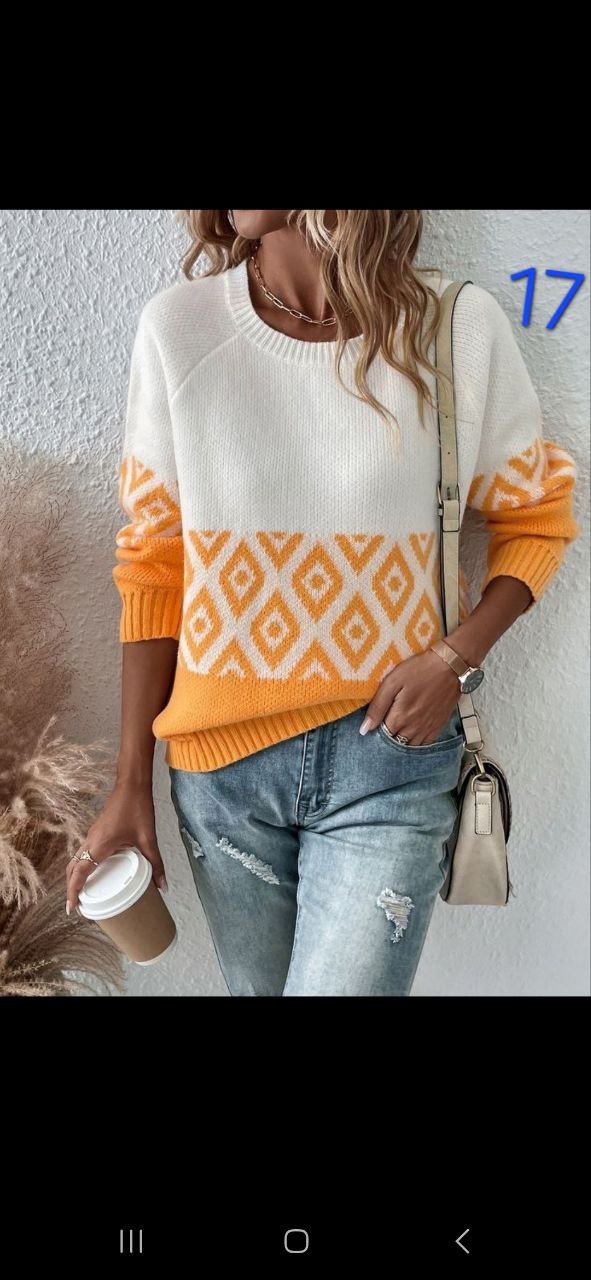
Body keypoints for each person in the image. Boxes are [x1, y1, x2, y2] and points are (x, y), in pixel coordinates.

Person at [65, 210, 580, 996]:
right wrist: (129, 782)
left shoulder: (453, 329)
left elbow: (534, 518)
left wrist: (455, 658)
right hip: (222, 775)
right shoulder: (179, 328)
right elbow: (154, 569)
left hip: (390, 759)